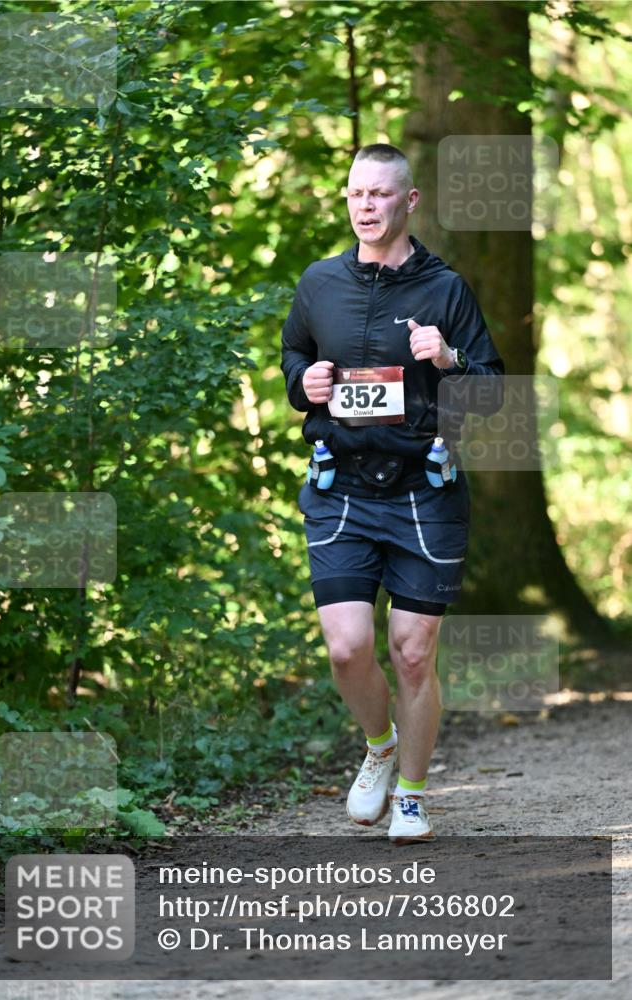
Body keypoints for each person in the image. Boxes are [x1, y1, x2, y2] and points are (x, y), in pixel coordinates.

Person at [281, 143, 504, 843]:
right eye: (355, 194)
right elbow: (294, 356)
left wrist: (448, 359)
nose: (365, 206)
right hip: (340, 487)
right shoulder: (319, 283)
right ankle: (377, 747)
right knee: (347, 648)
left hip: (423, 492)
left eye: (379, 194)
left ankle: (410, 794)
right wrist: (302, 384)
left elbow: (492, 392)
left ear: (408, 201)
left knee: (412, 650)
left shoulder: (445, 289)